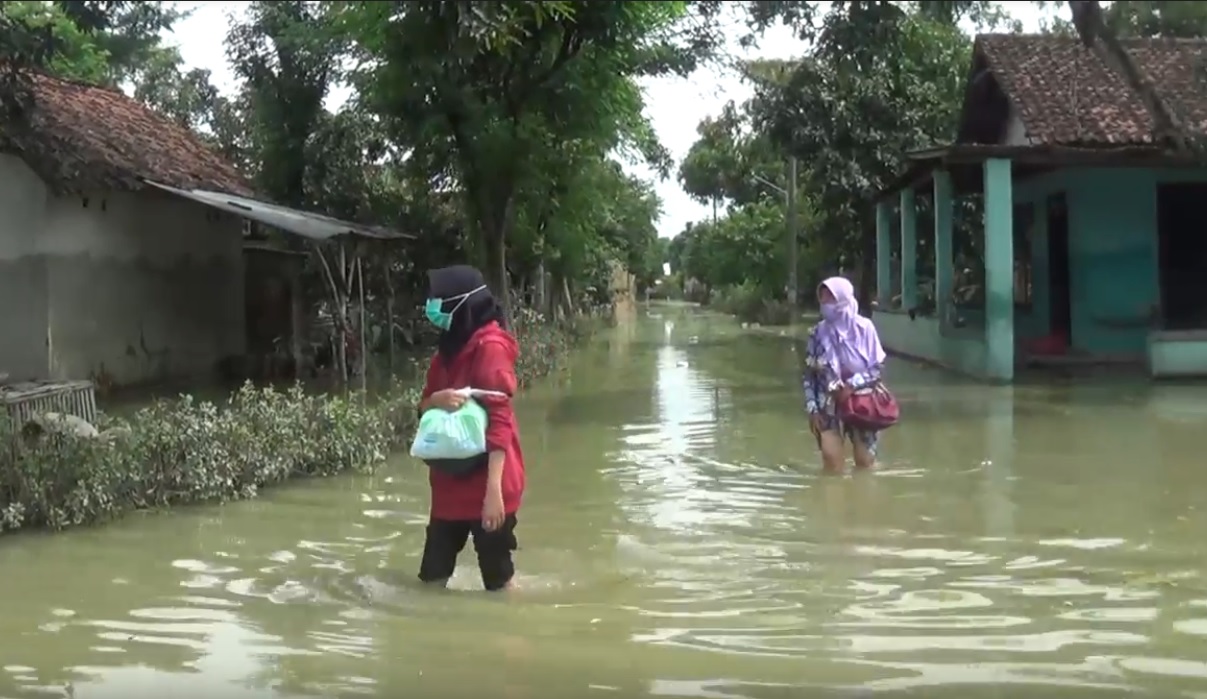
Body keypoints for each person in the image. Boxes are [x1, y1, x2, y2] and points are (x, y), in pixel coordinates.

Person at [416, 265, 525, 591]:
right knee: (432, 579)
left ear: (462, 303)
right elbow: (422, 406)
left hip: (489, 481)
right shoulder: (446, 350)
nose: (432, 307)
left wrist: (493, 493)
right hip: (449, 482)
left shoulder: (490, 347)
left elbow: (500, 420)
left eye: (440, 300)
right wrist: (435, 399)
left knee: (498, 583)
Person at [803, 276, 887, 474]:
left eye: (830, 298)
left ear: (843, 300)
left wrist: (850, 386)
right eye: (822, 298)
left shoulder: (865, 328)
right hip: (827, 404)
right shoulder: (817, 333)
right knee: (832, 465)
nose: (825, 304)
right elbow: (808, 375)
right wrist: (812, 409)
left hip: (862, 402)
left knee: (865, 464)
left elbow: (877, 368)